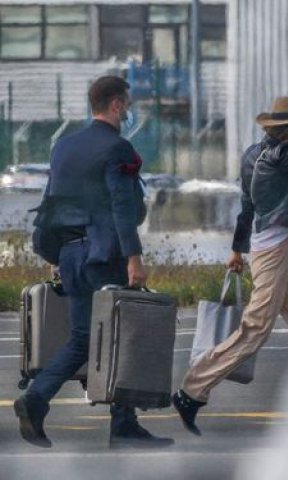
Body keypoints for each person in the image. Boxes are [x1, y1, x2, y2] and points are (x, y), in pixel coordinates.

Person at [172, 97, 288, 435]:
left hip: (273, 247)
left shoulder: (253, 154)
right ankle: (191, 391)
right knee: (255, 329)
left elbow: (246, 205)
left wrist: (237, 250)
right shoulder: (282, 157)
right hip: (274, 252)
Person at [14, 76, 173, 449]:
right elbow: (121, 205)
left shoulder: (63, 146)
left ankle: (118, 421)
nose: (130, 110)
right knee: (122, 333)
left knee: (86, 338)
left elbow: (52, 201)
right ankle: (53, 405)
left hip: (70, 254)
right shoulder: (118, 149)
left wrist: (55, 256)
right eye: (128, 103)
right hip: (103, 255)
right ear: (116, 105)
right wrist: (134, 257)